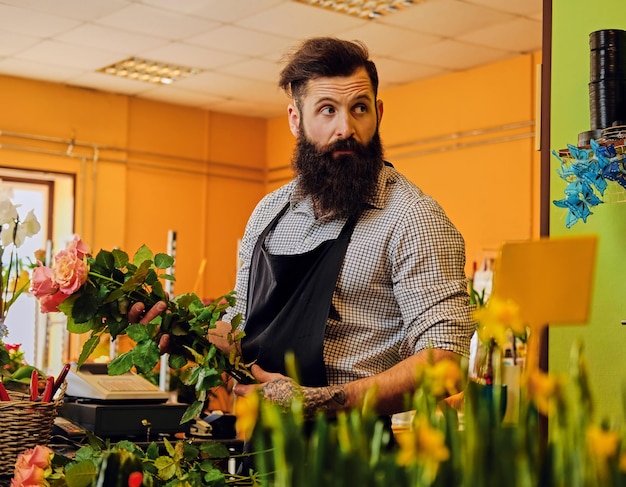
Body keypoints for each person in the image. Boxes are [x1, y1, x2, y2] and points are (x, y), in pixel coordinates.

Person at [131, 37, 475, 419]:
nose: (346, 128)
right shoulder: (269, 213)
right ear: (296, 119)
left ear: (377, 113)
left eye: (359, 108)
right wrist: (178, 327)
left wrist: (318, 402)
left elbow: (447, 362)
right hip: (262, 450)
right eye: (327, 110)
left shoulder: (412, 217)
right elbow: (241, 329)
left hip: (358, 459)